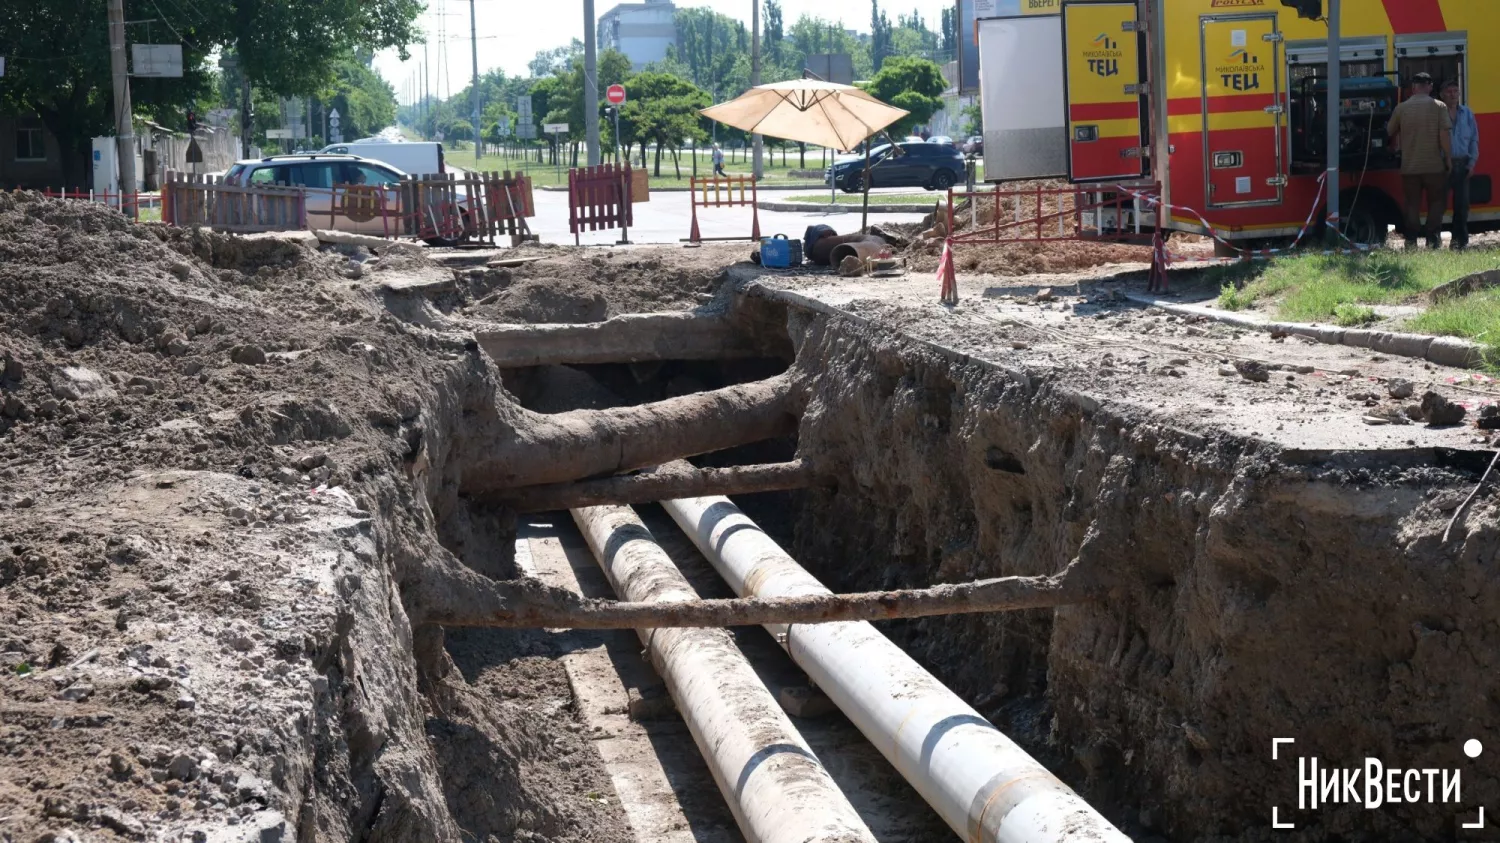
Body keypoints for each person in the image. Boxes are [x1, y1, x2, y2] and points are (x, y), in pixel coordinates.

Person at [1387, 71, 1453, 249]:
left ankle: (1411, 241)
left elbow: (1389, 131)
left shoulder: (1401, 108)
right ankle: (1433, 239)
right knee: (1437, 202)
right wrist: (1448, 158)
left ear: (1413, 88)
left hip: (1410, 167)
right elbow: (1444, 134)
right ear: (1430, 87)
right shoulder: (1439, 106)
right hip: (1434, 167)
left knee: (1411, 204)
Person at [1441, 79, 1479, 251]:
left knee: (1462, 205)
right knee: (1438, 205)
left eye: (1455, 91)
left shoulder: (1467, 113)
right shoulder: (1438, 114)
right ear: (1441, 95)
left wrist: (1472, 164)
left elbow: (1474, 140)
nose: (1453, 95)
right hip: (1443, 165)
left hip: (1463, 164)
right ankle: (1433, 241)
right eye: (1449, 91)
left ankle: (1459, 243)